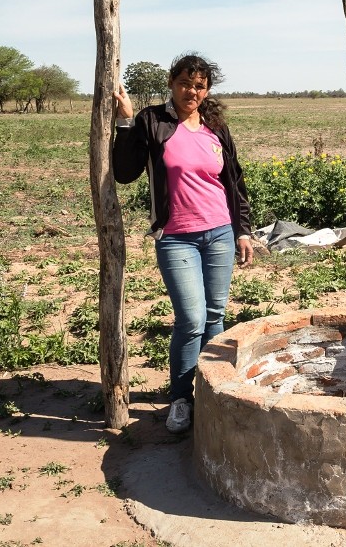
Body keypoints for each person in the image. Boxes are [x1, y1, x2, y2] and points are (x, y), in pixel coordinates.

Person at [112, 53, 253, 434]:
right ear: (172, 83)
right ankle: (180, 399)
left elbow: (234, 182)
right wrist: (125, 120)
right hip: (176, 237)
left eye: (200, 85)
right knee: (191, 319)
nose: (192, 91)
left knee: (215, 316)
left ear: (207, 90)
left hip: (220, 232)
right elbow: (125, 173)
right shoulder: (152, 121)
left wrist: (242, 230)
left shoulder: (215, 126)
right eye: (186, 84)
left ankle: (213, 393)